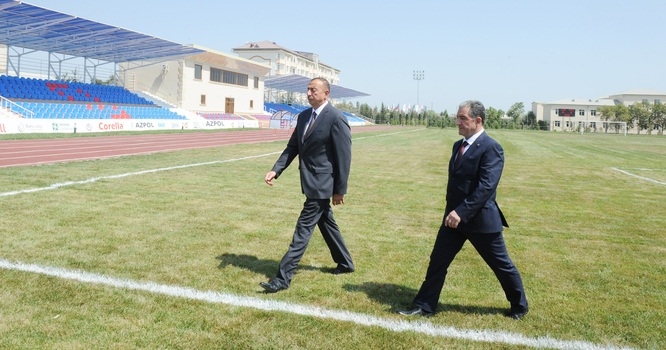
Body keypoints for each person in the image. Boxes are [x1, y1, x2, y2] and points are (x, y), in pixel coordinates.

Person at [398, 100, 529, 319]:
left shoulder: (491, 147)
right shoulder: (458, 145)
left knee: (501, 265)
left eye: (463, 119)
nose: (457, 122)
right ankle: (424, 305)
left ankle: (519, 306)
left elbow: (487, 186)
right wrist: (453, 213)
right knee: (437, 262)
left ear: (478, 121)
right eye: (457, 118)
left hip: (480, 220)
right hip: (452, 221)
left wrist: (462, 212)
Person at [260, 77, 355, 293]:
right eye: (308, 90)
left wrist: (340, 189)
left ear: (326, 94)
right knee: (327, 224)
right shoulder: (303, 117)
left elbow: (344, 157)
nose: (309, 93)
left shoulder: (336, 118)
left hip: (323, 184)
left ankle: (282, 279)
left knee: (302, 230)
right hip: (309, 182)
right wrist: (276, 169)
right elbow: (292, 147)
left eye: (314, 90)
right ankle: (345, 263)